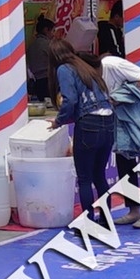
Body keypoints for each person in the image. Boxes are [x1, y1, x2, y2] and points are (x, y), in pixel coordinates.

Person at [49, 40, 115, 219]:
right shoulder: (85, 67)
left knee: (85, 178)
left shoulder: (64, 69)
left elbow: (70, 100)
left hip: (88, 125)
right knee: (99, 176)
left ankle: (88, 221)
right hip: (108, 121)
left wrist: (58, 121)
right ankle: (106, 218)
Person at [100, 51, 140, 228]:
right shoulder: (89, 79)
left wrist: (122, 95)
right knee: (123, 154)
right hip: (120, 108)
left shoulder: (111, 64)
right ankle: (133, 209)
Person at [25, 17, 55, 104]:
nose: (54, 34)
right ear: (46, 30)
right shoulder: (47, 44)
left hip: (37, 82)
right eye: (53, 31)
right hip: (48, 80)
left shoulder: (32, 45)